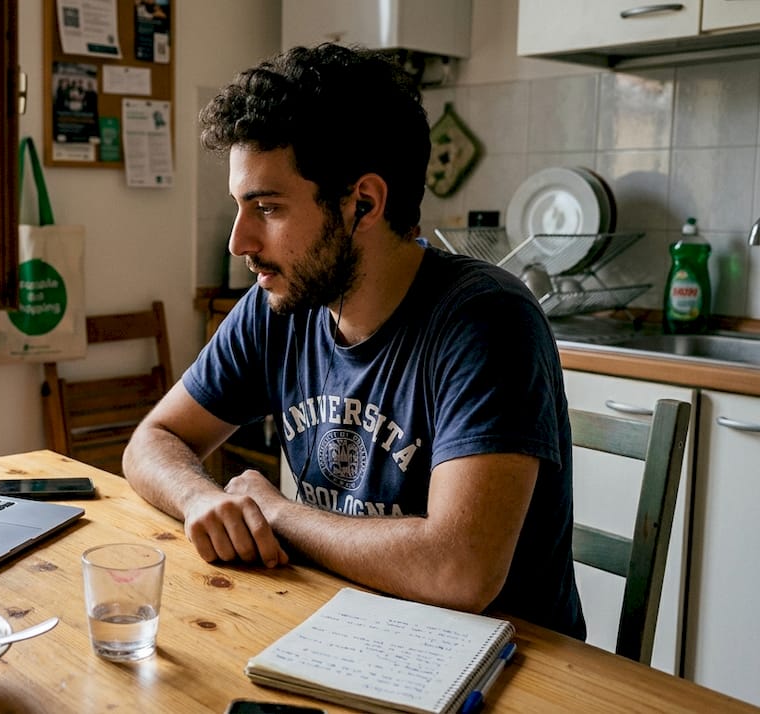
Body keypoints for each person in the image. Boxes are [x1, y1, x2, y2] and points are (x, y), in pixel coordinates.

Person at [122, 43, 585, 639]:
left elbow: (459, 572)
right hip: (349, 628)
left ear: (363, 203)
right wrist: (198, 498)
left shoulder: (487, 321)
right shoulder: (281, 303)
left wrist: (278, 512)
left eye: (267, 208)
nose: (240, 242)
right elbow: (152, 440)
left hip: (508, 661)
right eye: (240, 207)